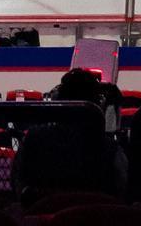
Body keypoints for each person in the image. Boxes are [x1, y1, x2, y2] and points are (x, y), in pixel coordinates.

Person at [10, 69, 125, 200]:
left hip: (43, 215)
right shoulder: (109, 147)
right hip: (97, 217)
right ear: (98, 104)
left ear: (58, 99)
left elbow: (17, 184)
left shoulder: (33, 139)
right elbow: (123, 187)